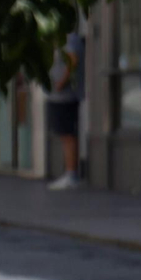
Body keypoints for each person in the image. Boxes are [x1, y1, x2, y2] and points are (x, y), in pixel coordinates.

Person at [46, 26, 85, 191]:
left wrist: (62, 82)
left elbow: (73, 59)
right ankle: (70, 173)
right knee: (64, 135)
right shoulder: (63, 38)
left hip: (65, 96)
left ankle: (71, 174)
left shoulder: (69, 39)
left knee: (67, 135)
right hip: (59, 95)